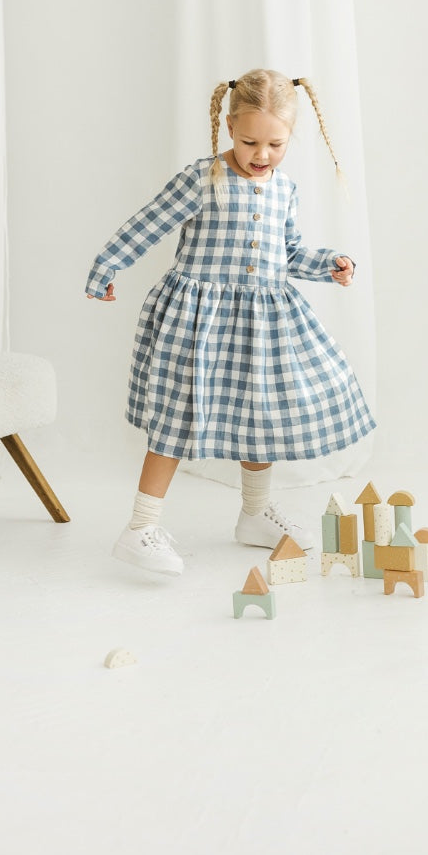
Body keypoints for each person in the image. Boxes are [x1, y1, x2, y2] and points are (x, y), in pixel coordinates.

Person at [86, 68, 375, 576]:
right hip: (198, 320)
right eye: (250, 142)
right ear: (228, 126)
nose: (262, 154)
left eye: (275, 144)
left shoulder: (284, 189)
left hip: (263, 322)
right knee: (175, 419)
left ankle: (255, 514)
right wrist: (107, 265)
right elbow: (146, 224)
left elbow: (287, 253)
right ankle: (140, 526)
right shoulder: (203, 178)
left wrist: (328, 264)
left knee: (260, 419)